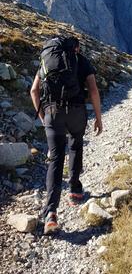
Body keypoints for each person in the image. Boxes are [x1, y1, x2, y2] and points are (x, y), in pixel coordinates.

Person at [30, 37, 102, 235]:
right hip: (77, 112)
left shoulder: (47, 61)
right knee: (76, 145)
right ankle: (75, 190)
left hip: (53, 113)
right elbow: (94, 91)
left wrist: (44, 117)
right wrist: (98, 117)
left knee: (55, 158)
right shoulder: (81, 61)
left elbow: (34, 91)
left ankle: (51, 212)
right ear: (76, 48)